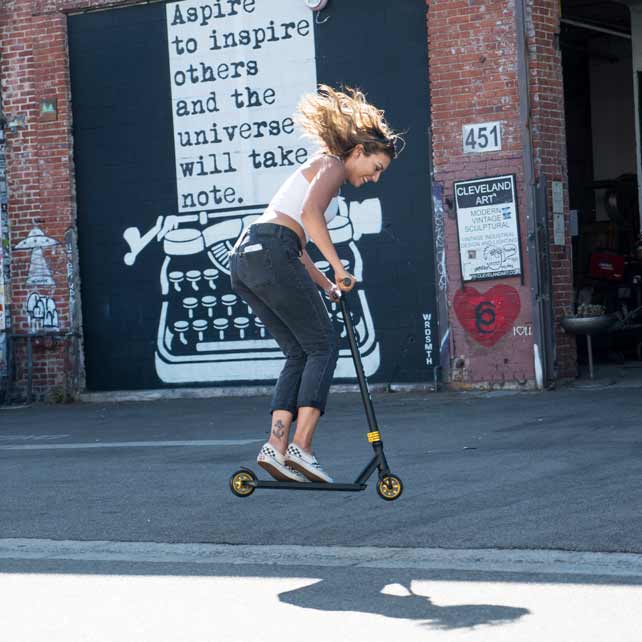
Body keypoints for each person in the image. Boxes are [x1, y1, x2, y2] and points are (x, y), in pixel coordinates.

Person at [229, 84, 400, 483]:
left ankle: (275, 446)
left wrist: (325, 281)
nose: (374, 178)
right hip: (272, 251)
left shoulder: (319, 169)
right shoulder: (333, 165)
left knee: (298, 351)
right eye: (376, 168)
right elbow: (309, 216)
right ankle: (301, 449)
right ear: (359, 151)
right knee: (323, 345)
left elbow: (295, 239)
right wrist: (340, 267)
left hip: (248, 257)